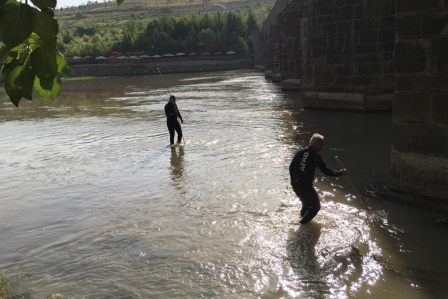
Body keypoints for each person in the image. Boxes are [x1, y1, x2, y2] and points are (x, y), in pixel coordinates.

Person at [289, 133, 347, 224]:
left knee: (306, 204)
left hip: (296, 185)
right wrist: (340, 173)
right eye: (321, 144)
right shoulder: (315, 156)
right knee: (316, 207)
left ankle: (301, 219)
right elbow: (325, 171)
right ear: (316, 143)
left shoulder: (300, 153)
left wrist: (292, 179)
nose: (323, 146)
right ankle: (302, 225)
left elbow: (291, 167)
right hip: (306, 186)